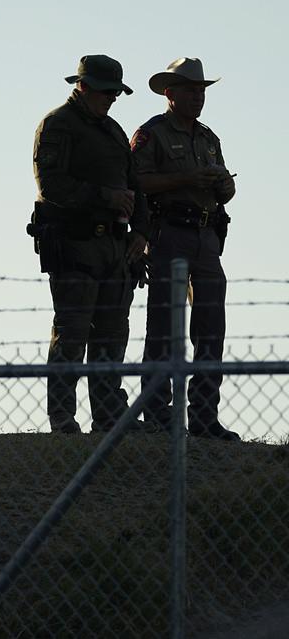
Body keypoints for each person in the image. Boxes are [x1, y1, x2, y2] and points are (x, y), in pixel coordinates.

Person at [29, 55, 150, 434]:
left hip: (115, 249)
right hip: (75, 244)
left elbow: (136, 186)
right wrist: (105, 198)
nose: (110, 98)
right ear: (82, 86)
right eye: (104, 91)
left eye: (115, 92)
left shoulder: (113, 131)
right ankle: (63, 418)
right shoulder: (57, 125)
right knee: (72, 334)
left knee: (112, 335)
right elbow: (52, 187)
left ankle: (109, 417)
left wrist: (141, 233)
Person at [131, 58, 239, 441]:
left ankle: (205, 417)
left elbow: (224, 189)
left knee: (211, 329)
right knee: (163, 330)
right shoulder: (151, 134)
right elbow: (137, 183)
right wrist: (186, 178)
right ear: (169, 93)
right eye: (191, 90)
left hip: (207, 238)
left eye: (202, 91)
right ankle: (157, 416)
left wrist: (224, 186)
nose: (198, 96)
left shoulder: (209, 138)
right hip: (168, 235)